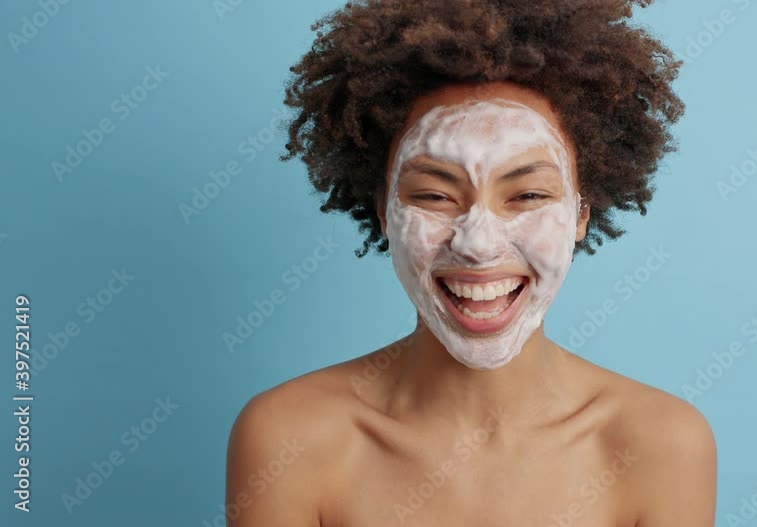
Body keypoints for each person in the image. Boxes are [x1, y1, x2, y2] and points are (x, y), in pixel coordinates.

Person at [226, 1, 716, 525]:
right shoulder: (289, 440)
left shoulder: (660, 444)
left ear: (580, 212)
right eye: (435, 196)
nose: (478, 245)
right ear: (384, 210)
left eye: (527, 195)